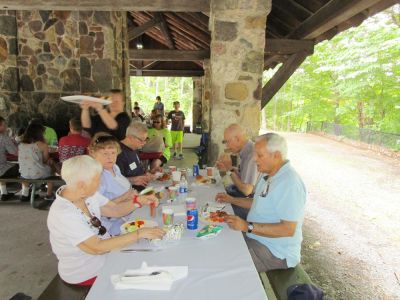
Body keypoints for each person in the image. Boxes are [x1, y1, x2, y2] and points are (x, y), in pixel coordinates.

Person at [47, 155, 165, 285]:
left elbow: (115, 210)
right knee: (150, 272)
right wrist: (138, 233)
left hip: (105, 255)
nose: (101, 183)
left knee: (154, 255)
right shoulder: (64, 214)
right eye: (97, 180)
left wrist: (139, 201)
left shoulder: (86, 194)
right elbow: (96, 248)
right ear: (82, 185)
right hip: (86, 272)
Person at [216, 133, 306, 272]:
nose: (255, 159)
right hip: (257, 238)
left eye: (259, 155)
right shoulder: (268, 173)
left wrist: (247, 226)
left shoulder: (289, 183)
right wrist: (232, 200)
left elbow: (288, 229)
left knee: (224, 265)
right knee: (219, 240)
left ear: (276, 155)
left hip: (275, 251)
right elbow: (258, 202)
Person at [89, 133, 143, 235]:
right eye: (105, 154)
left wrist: (133, 183)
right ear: (93, 154)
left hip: (130, 215)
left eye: (113, 153)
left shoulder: (114, 168)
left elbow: (116, 183)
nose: (110, 157)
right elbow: (98, 209)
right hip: (114, 228)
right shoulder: (97, 177)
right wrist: (127, 196)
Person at [18, 123, 55, 201]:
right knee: (51, 168)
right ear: (39, 133)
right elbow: (45, 161)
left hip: (24, 174)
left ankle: (25, 194)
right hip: (37, 174)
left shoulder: (21, 144)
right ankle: (49, 194)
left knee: (27, 168)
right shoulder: (43, 145)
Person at [116, 122, 154, 191]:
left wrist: (148, 173)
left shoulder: (134, 148)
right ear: (131, 137)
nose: (144, 143)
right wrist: (132, 180)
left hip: (144, 188)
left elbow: (135, 169)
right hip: (131, 193)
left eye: (146, 139)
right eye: (142, 140)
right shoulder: (118, 153)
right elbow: (115, 181)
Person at [0, 117, 19, 201]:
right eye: (4, 125)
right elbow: (15, 152)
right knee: (23, 167)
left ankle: (4, 193)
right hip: (1, 169)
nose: (6, 127)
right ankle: (27, 192)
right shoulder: (3, 137)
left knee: (5, 165)